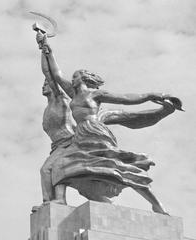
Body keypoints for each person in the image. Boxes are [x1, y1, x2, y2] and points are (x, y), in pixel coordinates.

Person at [37, 33, 183, 214]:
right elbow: (55, 74)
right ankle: (60, 199)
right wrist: (46, 49)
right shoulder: (74, 94)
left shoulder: (96, 95)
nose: (72, 79)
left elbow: (126, 99)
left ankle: (156, 204)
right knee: (62, 165)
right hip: (81, 134)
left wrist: (152, 95)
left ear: (82, 78)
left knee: (115, 166)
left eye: (75, 76)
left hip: (96, 132)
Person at [38, 36, 76, 205]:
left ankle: (53, 202)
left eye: (47, 83)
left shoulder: (60, 99)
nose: (44, 85)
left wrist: (44, 49)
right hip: (56, 146)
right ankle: (51, 202)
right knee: (49, 170)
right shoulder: (47, 109)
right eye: (44, 84)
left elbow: (49, 72)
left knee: (46, 170)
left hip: (69, 142)